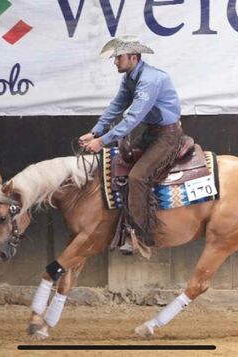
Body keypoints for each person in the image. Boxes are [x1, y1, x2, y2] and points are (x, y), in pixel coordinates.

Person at [79, 35, 183, 255]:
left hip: (167, 136)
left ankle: (141, 233)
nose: (115, 62)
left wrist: (102, 141)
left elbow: (132, 118)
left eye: (119, 58)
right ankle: (126, 223)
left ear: (133, 58)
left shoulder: (150, 80)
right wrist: (95, 131)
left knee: (137, 177)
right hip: (152, 133)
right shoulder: (130, 78)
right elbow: (117, 105)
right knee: (120, 166)